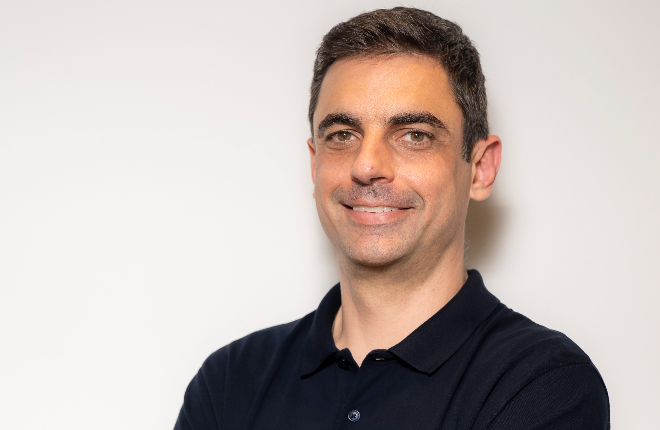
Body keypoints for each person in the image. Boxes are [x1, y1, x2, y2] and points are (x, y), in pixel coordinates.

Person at [174, 7, 609, 429]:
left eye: (414, 135)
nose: (366, 165)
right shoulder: (229, 383)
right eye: (342, 135)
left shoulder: (543, 384)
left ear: (480, 168)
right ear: (314, 163)